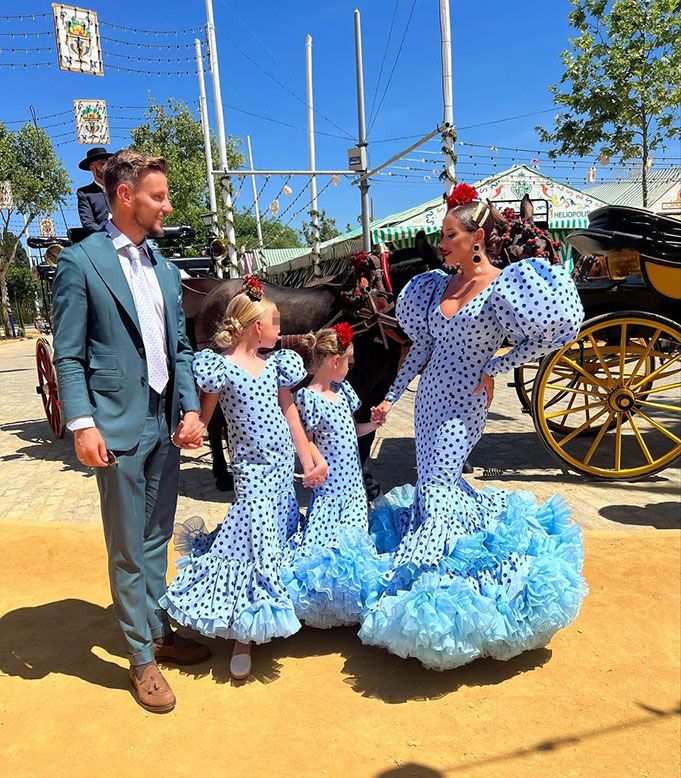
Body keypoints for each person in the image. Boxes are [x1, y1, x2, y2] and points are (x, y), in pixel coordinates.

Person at [362, 183, 587, 671]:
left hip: (465, 402)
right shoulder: (434, 287)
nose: (441, 243)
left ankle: (448, 594)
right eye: (442, 234)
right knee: (431, 486)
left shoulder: (507, 286)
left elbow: (555, 332)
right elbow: (420, 349)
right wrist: (390, 399)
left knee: (440, 486)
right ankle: (446, 585)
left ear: (476, 236)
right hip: (428, 402)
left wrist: (497, 367)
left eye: (449, 234)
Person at [52, 149, 209, 713]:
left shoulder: (165, 268)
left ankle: (158, 632)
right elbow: (68, 354)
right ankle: (141, 659)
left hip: (165, 421)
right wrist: (82, 421)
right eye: (158, 197)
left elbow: (182, 348)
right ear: (126, 196)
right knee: (125, 547)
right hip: (116, 426)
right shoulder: (82, 262)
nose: (167, 205)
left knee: (155, 538)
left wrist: (191, 409)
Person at [161, 278, 328, 681]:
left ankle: (273, 612)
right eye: (276, 323)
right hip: (251, 472)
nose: (280, 331)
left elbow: (291, 416)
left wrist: (308, 460)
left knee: (277, 536)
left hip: (279, 470)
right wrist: (191, 429)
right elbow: (204, 414)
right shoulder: (220, 368)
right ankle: (244, 634)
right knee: (255, 540)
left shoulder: (278, 367)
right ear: (256, 327)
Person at [281, 323, 389, 629]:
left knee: (354, 540)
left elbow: (351, 431)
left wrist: (373, 426)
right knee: (324, 542)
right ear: (335, 362)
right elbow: (308, 438)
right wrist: (315, 465)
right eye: (349, 361)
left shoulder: (344, 392)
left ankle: (350, 600)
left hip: (353, 486)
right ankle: (323, 601)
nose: (350, 367)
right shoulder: (309, 398)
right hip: (330, 487)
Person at [76, 147, 113, 235]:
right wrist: (108, 234)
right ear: (93, 168)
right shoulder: (85, 193)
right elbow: (88, 223)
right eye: (103, 164)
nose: (107, 168)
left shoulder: (119, 189)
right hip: (103, 241)